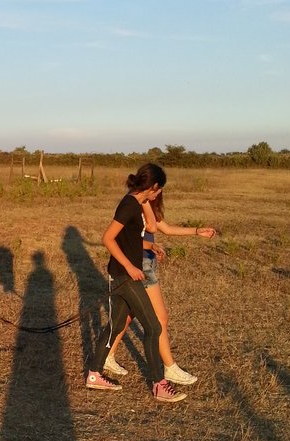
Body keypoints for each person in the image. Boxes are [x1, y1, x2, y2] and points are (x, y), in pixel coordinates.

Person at [86, 163, 186, 403]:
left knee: (115, 325)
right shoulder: (129, 204)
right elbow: (108, 238)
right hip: (125, 276)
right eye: (158, 189)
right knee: (153, 326)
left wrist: (149, 244)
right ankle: (158, 384)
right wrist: (131, 267)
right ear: (153, 186)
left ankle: (94, 375)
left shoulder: (137, 202)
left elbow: (148, 229)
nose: (159, 194)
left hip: (124, 274)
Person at [103, 193, 216, 384]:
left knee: (127, 315)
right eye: (154, 189)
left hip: (147, 261)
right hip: (141, 264)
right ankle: (169, 367)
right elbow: (150, 227)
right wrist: (146, 204)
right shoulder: (135, 205)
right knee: (160, 317)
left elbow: (166, 228)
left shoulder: (146, 204)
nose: (157, 194)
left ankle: (107, 355)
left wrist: (197, 231)